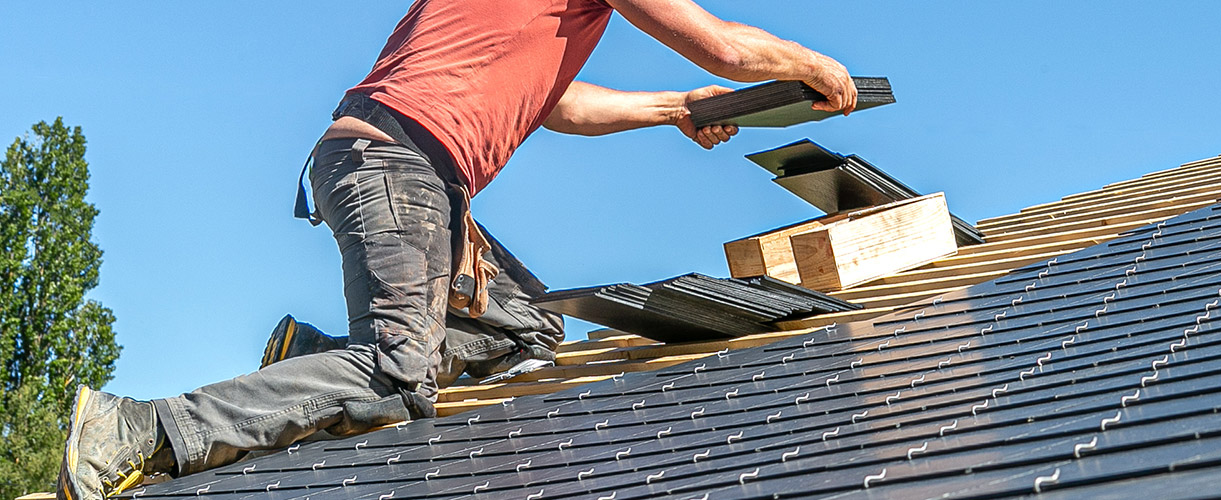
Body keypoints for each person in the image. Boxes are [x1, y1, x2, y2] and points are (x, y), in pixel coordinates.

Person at [57, 1, 855, 498]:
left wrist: (677, 106)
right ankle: (135, 431)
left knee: (526, 327)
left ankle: (309, 359)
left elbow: (555, 102)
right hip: (396, 163)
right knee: (400, 371)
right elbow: (722, 46)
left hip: (402, 168)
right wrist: (814, 65)